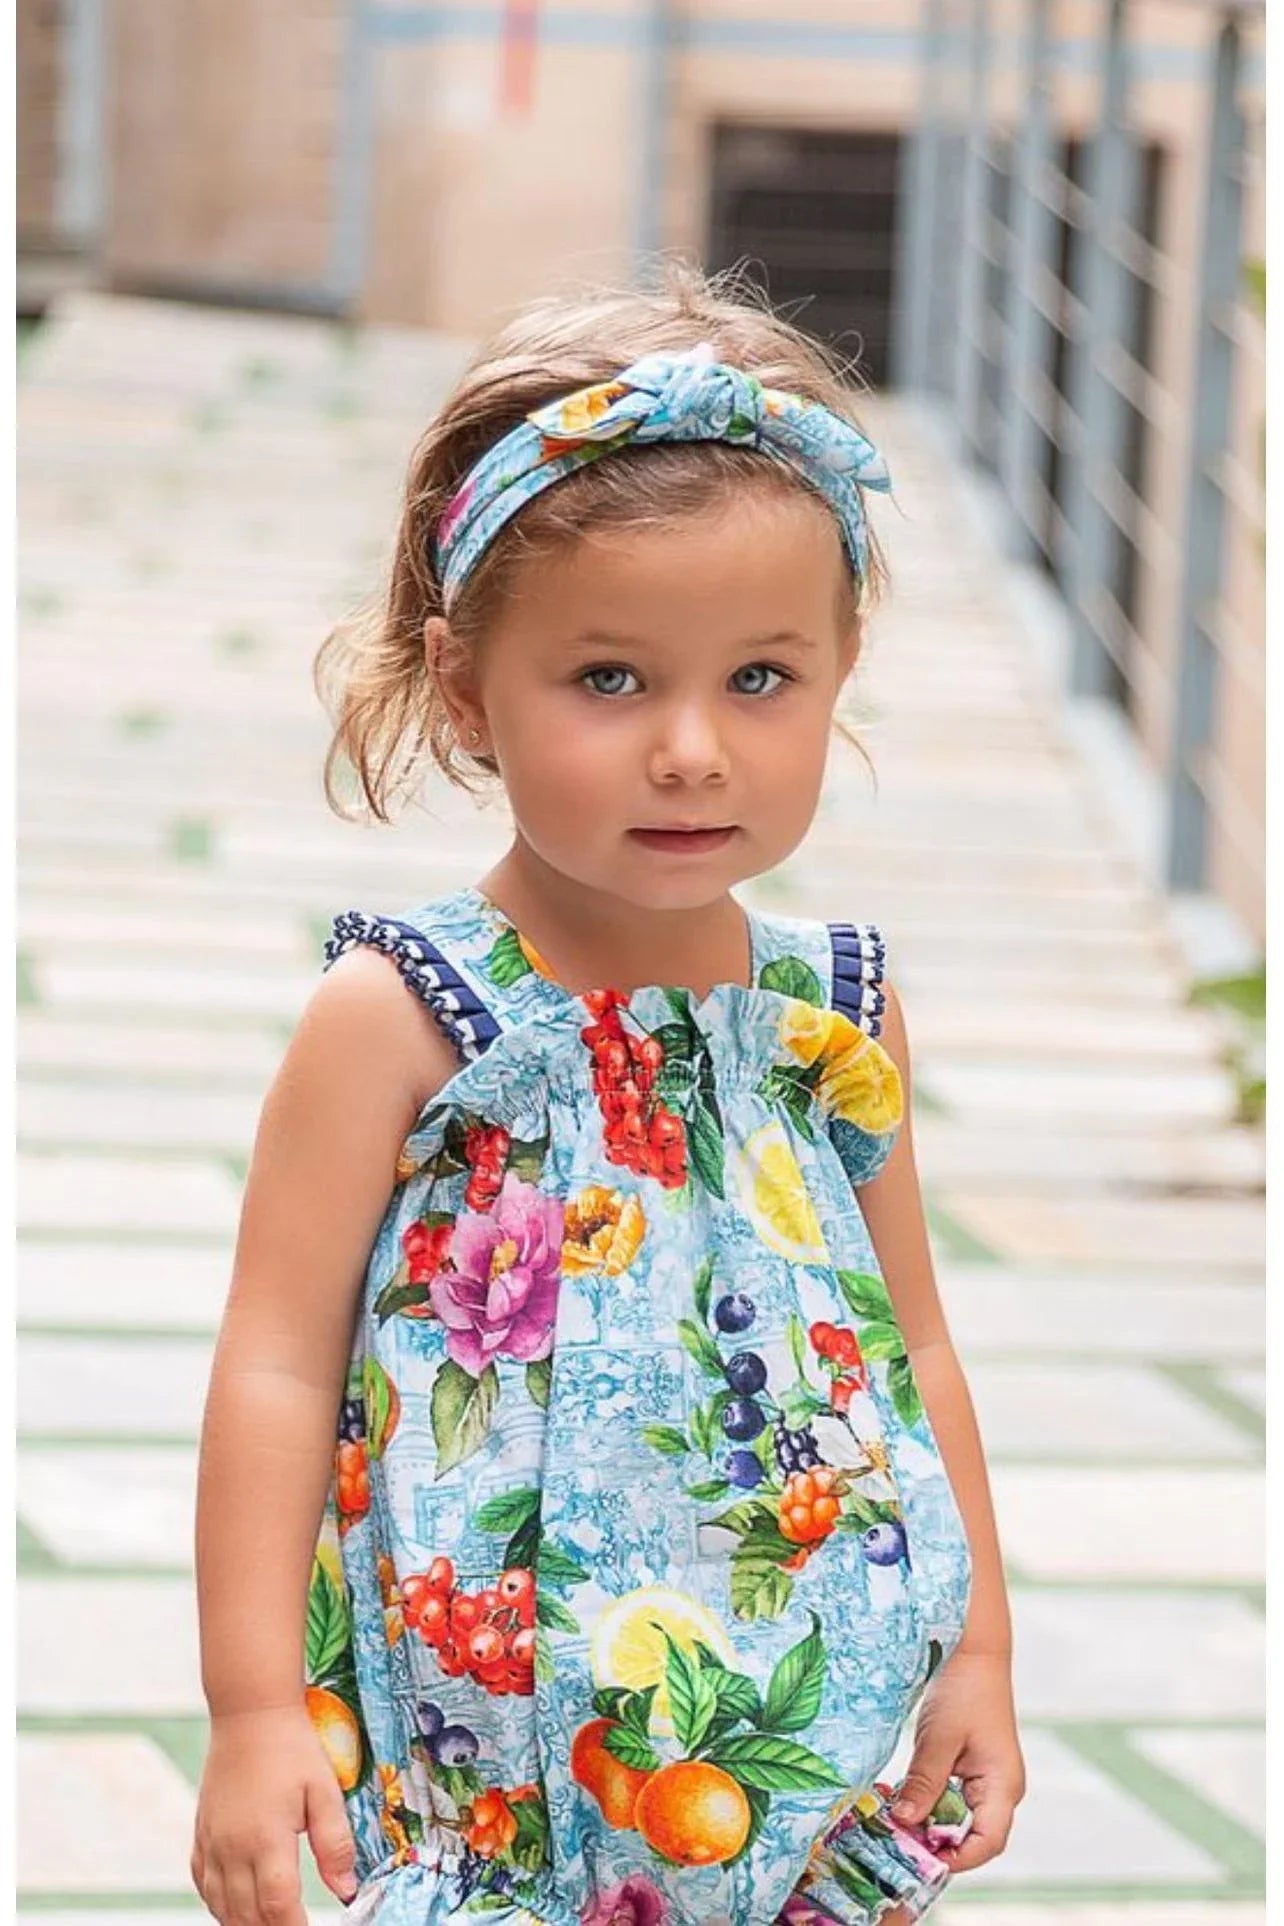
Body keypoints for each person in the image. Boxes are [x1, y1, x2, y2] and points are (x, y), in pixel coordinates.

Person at [191, 264, 1025, 1926]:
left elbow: (916, 1343)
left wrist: (981, 1649)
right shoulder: (406, 1016)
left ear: (842, 666)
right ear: (463, 687)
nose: (693, 749)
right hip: (491, 1772)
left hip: (792, 1775)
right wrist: (251, 1707)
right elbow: (275, 1359)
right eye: (612, 680)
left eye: (761, 678)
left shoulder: (830, 1015)